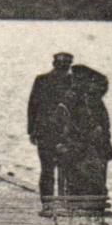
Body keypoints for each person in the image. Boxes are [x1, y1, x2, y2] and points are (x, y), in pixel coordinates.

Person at [58, 64, 112, 201]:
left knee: (93, 186)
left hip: (93, 149)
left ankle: (92, 210)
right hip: (79, 149)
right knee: (79, 185)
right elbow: (64, 124)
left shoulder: (93, 102)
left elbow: (103, 126)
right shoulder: (72, 101)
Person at [27, 52, 75, 199]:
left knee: (49, 169)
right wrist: (32, 130)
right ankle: (58, 201)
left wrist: (31, 130)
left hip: (50, 131)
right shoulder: (71, 82)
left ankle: (49, 202)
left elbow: (32, 106)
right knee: (60, 170)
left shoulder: (43, 80)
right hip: (58, 131)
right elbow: (33, 105)